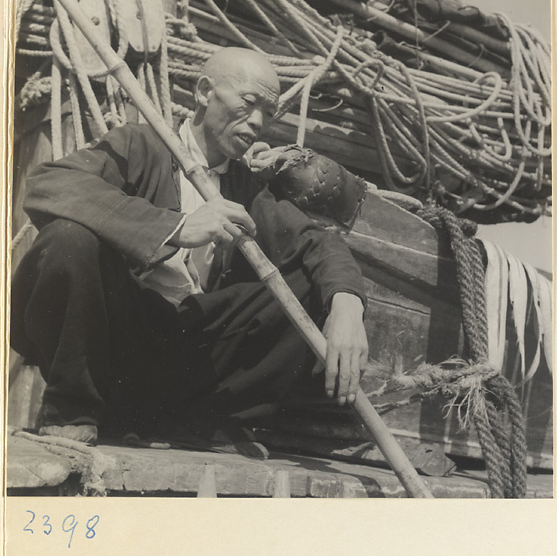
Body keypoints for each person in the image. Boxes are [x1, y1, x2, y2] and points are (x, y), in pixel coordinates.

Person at [11, 48, 368, 457]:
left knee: (307, 287)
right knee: (68, 239)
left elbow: (317, 243)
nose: (257, 122)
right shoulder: (140, 145)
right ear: (203, 91)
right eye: (249, 104)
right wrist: (176, 228)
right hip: (116, 341)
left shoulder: (246, 186)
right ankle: (71, 412)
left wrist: (347, 306)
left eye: (269, 113)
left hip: (185, 361)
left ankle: (194, 422)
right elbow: (49, 187)